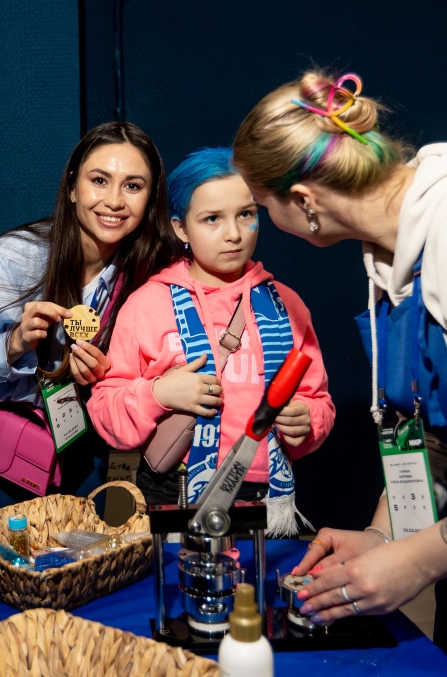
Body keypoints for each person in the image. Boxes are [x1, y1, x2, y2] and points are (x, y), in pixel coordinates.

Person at [232, 70, 447, 675]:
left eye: (262, 207)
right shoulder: (394, 258)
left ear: (304, 202)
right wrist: (389, 538)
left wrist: (417, 562)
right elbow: (434, 432)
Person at [87, 147, 335, 536]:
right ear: (181, 228)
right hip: (174, 493)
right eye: (212, 219)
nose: (233, 233)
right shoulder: (146, 305)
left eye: (246, 214)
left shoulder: (287, 306)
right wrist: (159, 393)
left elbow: (317, 401)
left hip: (266, 500)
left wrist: (308, 420)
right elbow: (105, 412)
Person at [0, 121, 174, 514]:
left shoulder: (153, 274)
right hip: (11, 445)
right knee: (12, 566)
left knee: (91, 568)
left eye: (133, 186)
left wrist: (109, 379)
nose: (115, 201)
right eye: (99, 180)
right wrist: (15, 343)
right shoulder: (12, 258)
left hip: (94, 452)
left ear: (150, 199)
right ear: (71, 187)